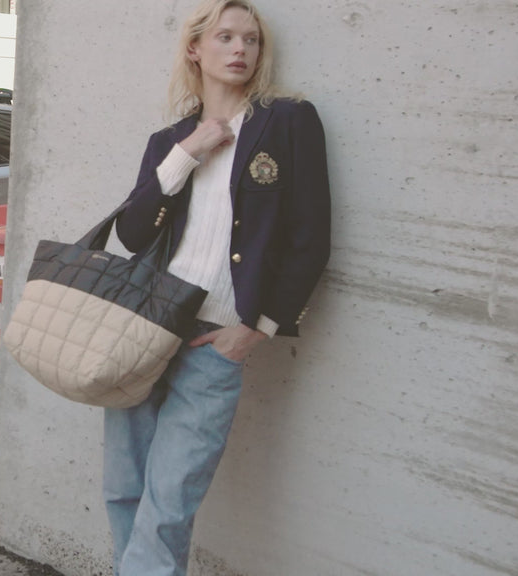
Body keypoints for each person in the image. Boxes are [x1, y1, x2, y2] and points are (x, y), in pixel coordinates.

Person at [104, 1, 331, 574]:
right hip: (146, 328)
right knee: (125, 488)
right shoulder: (171, 139)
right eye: (225, 37)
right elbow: (132, 234)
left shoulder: (288, 121)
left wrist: (257, 328)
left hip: (216, 343)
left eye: (251, 40)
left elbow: (311, 238)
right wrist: (188, 154)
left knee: (169, 506)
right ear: (194, 49)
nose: (240, 50)